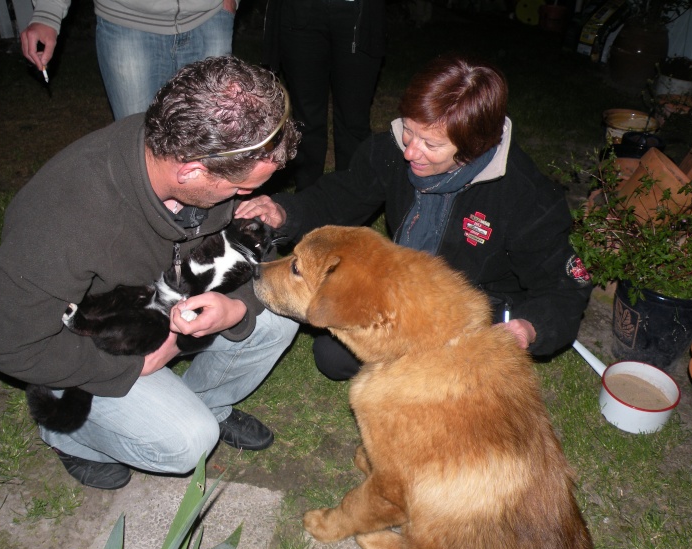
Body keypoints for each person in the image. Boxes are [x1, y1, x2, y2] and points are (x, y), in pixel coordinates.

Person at [0, 56, 301, 490]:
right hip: (97, 340)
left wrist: (236, 309)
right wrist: (129, 368)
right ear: (191, 171)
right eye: (241, 189)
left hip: (165, 310)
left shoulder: (182, 150)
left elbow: (231, 265)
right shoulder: (63, 219)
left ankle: (207, 404)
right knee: (188, 442)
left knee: (278, 315)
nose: (249, 197)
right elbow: (9, 346)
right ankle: (69, 436)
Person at [237, 52, 593, 380]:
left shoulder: (525, 197)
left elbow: (565, 288)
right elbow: (341, 197)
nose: (410, 150)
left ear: (474, 147)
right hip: (403, 290)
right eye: (409, 129)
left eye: (431, 144)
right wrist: (286, 211)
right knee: (333, 357)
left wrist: (529, 327)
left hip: (469, 317)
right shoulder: (391, 150)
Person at [21, 0, 238, 120]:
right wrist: (47, 12)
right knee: (136, 140)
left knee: (213, 137)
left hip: (209, 16)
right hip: (127, 21)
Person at [262, 0, 385, 191]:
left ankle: (352, 193)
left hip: (355, 13)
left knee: (353, 117)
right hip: (300, 13)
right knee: (306, 115)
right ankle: (308, 193)